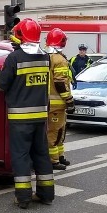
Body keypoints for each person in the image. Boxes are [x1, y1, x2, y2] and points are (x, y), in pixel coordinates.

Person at [0, 18, 53, 209]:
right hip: (40, 116)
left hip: (20, 117)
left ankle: (23, 197)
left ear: (19, 36)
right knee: (41, 154)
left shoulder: (14, 58)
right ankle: (46, 194)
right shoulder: (45, 57)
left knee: (20, 156)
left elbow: (1, 85)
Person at [44, 28, 75, 171]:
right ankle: (53, 161)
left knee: (59, 132)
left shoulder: (46, 56)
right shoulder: (59, 59)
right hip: (57, 104)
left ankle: (60, 156)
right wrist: (69, 100)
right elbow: (60, 83)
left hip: (50, 103)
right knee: (54, 132)